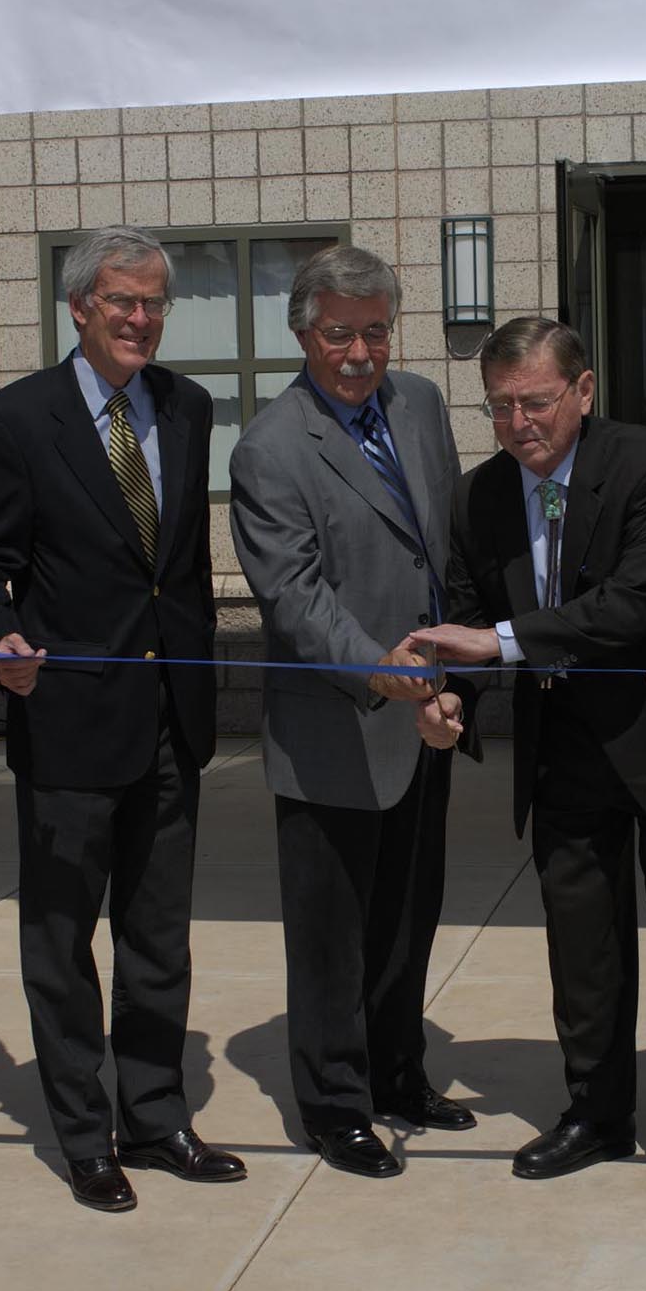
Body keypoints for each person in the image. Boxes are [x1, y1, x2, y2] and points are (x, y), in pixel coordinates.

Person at [407, 317, 646, 1207]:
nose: (520, 423)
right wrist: (450, 703)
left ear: (582, 393)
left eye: (537, 402)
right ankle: (596, 1110)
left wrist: (497, 642)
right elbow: (470, 620)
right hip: (560, 754)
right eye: (501, 406)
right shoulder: (479, 499)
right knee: (582, 948)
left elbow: (632, 603)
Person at [0, 226, 243, 1212]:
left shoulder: (188, 407)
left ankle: (156, 1115)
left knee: (159, 939)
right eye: (122, 302)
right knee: (64, 941)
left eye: (155, 303)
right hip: (72, 721)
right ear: (78, 307)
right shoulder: (16, 421)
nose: (140, 320)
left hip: (171, 714)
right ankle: (84, 1131)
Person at [229, 244, 474, 1178]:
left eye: (375, 331)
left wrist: (452, 674)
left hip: (426, 719)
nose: (361, 353)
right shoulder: (271, 448)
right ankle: (336, 1105)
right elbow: (293, 596)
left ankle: (399, 1071)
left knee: (409, 916)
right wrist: (379, 671)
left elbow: (438, 553)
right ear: (304, 334)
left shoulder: (418, 404)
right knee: (333, 935)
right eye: (341, 334)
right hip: (337, 725)